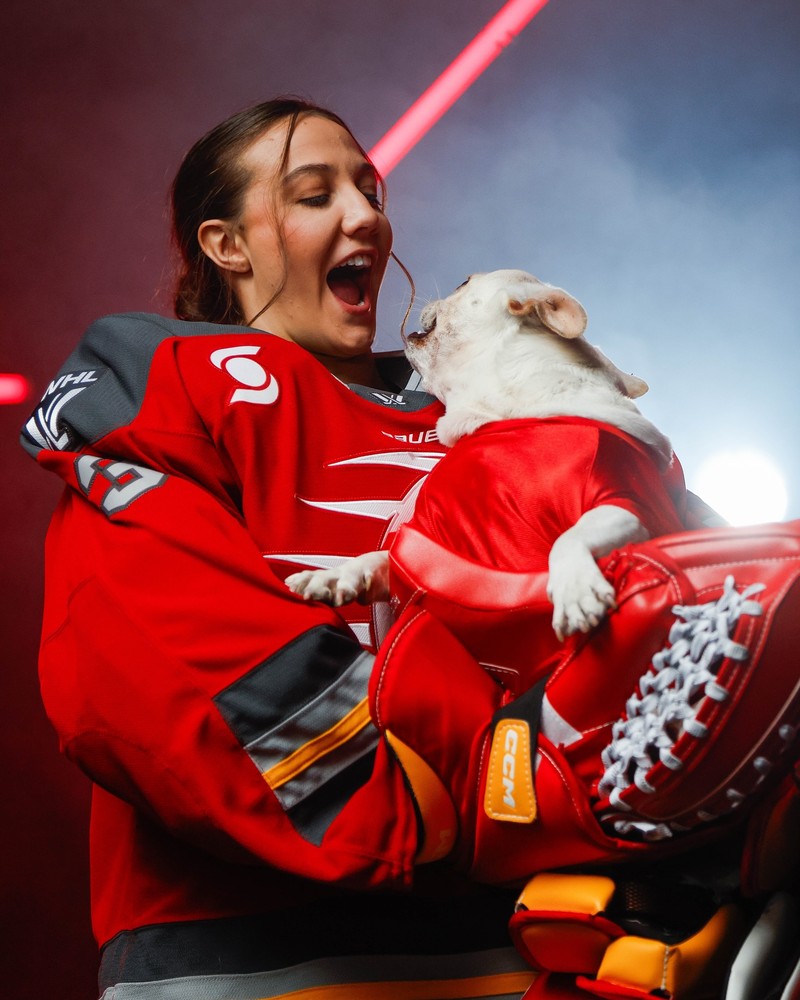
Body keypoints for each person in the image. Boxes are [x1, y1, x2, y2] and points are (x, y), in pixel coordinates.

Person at [22, 98, 536, 1000]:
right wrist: (460, 797)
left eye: (370, 190)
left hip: (524, 942)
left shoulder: (492, 411)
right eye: (315, 194)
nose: (366, 214)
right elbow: (150, 641)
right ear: (227, 245)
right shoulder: (164, 379)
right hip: (250, 957)